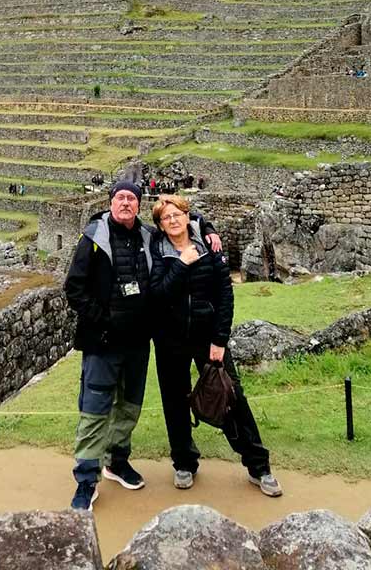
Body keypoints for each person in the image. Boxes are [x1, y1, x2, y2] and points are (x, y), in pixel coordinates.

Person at [149, 194, 282, 497]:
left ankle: (258, 466)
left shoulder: (210, 246)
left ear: (187, 216)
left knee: (232, 397)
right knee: (174, 401)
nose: (172, 220)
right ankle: (184, 462)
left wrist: (219, 340)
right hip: (170, 340)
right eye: (165, 217)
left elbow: (225, 295)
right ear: (159, 224)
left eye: (177, 215)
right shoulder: (156, 249)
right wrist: (181, 265)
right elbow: (158, 295)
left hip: (207, 337)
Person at [64, 180, 153, 511]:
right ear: (111, 203)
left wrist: (210, 228)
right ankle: (86, 479)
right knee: (95, 408)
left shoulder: (147, 237)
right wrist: (102, 320)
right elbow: (74, 288)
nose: (126, 203)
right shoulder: (93, 239)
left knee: (129, 406)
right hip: (103, 342)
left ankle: (117, 461)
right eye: (120, 198)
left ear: (139, 205)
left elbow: (184, 225)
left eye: (132, 198)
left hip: (137, 342)